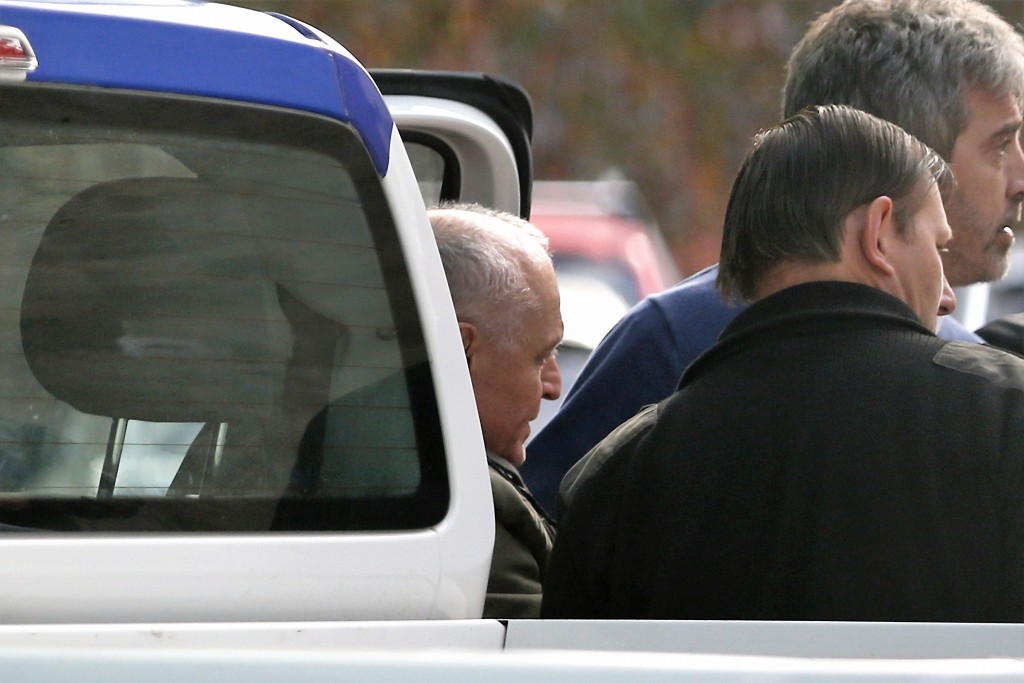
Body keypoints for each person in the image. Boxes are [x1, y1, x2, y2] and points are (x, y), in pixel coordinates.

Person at [523, 0, 1024, 516]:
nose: (1020, 179)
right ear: (892, 149)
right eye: (1000, 145)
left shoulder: (984, 376)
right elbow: (543, 538)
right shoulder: (674, 344)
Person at [542, 104, 1024, 622]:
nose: (948, 297)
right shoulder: (1006, 417)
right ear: (879, 232)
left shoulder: (620, 476)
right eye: (938, 248)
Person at [428, 203, 563, 619]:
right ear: (462, 349)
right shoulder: (475, 516)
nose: (553, 387)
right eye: (540, 358)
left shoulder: (334, 443)